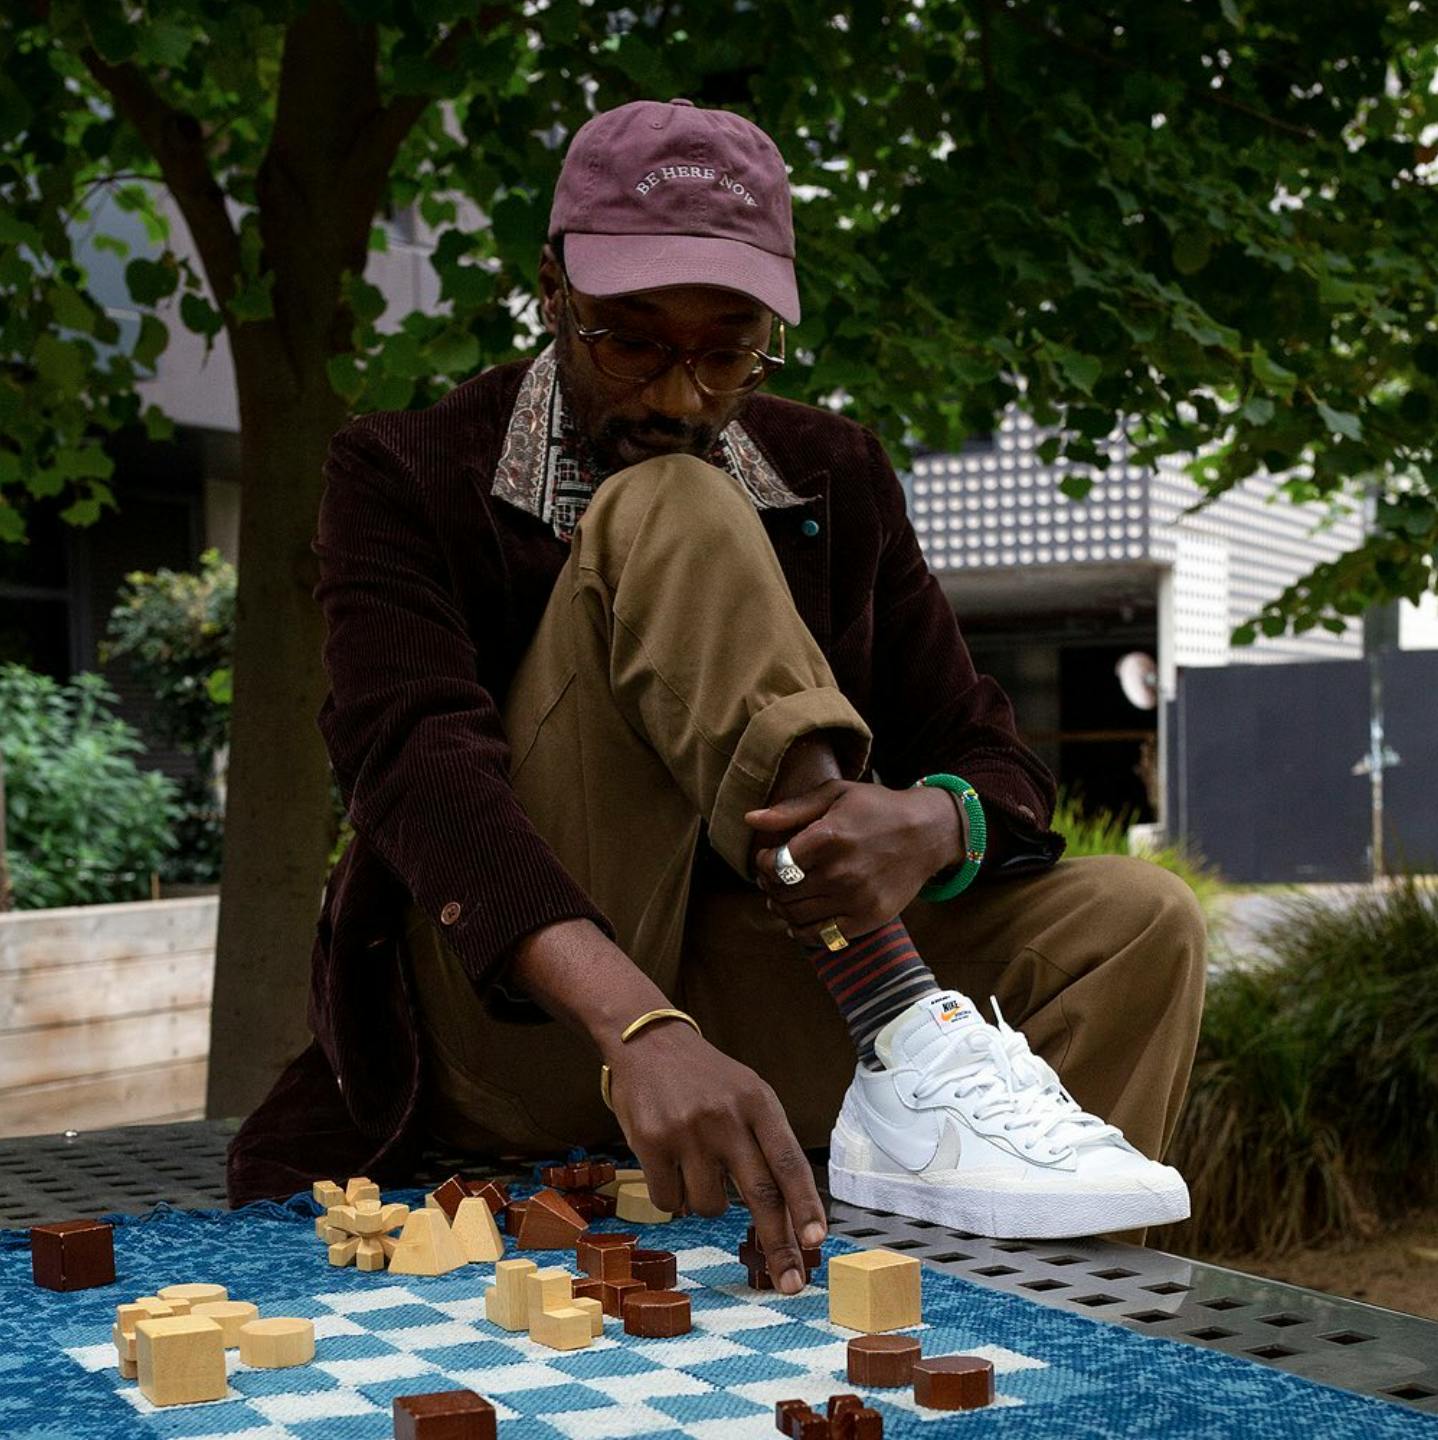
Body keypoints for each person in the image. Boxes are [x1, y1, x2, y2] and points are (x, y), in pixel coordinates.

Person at [228, 99, 1206, 1286]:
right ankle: (892, 1004)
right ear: (551, 290)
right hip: (523, 1023)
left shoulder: (833, 471)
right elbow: (415, 772)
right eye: (629, 342)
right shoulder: (404, 469)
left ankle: (1027, 1324)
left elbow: (990, 757)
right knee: (678, 501)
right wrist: (639, 1026)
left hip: (754, 993)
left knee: (1137, 923)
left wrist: (933, 823)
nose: (679, 398)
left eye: (727, 351)